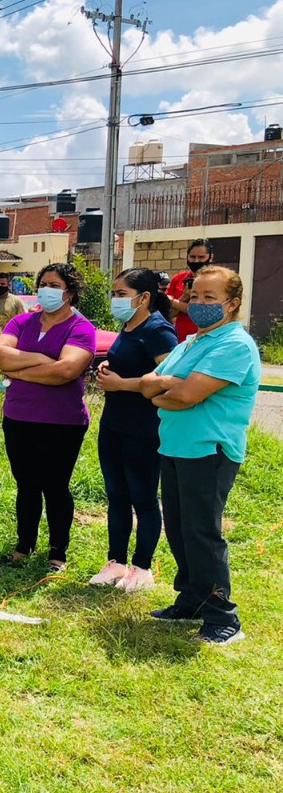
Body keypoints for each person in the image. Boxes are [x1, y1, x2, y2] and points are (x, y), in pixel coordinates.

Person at [141, 265, 261, 645]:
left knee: (202, 532)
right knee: (177, 527)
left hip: (209, 451)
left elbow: (186, 395)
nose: (199, 304)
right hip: (176, 446)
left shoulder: (234, 345)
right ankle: (191, 599)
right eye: (195, 296)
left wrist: (166, 389)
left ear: (233, 303)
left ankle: (222, 618)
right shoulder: (192, 342)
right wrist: (165, 387)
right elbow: (151, 384)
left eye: (211, 297)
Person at [0, 262, 96, 573]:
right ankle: (24, 546)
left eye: (54, 285)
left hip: (62, 422)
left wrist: (18, 370)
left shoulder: (80, 328)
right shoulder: (22, 322)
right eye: (43, 283)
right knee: (26, 484)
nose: (46, 290)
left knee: (55, 485)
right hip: (19, 417)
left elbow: (66, 371)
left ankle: (57, 552)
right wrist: (41, 360)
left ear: (70, 293)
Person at [90, 269, 178, 592]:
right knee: (117, 496)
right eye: (113, 293)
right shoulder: (129, 326)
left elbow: (167, 380)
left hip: (143, 428)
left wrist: (121, 384)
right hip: (113, 424)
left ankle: (142, 567)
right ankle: (116, 563)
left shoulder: (158, 330)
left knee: (143, 497)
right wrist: (107, 369)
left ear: (143, 298)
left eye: (121, 293)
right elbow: (130, 364)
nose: (115, 300)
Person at [165, 239, 214, 344]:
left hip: (207, 339)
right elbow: (168, 315)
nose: (196, 261)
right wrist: (184, 297)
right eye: (192, 257)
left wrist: (172, 301)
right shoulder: (179, 279)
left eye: (201, 257)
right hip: (181, 339)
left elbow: (200, 311)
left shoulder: (215, 280)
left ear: (210, 257)